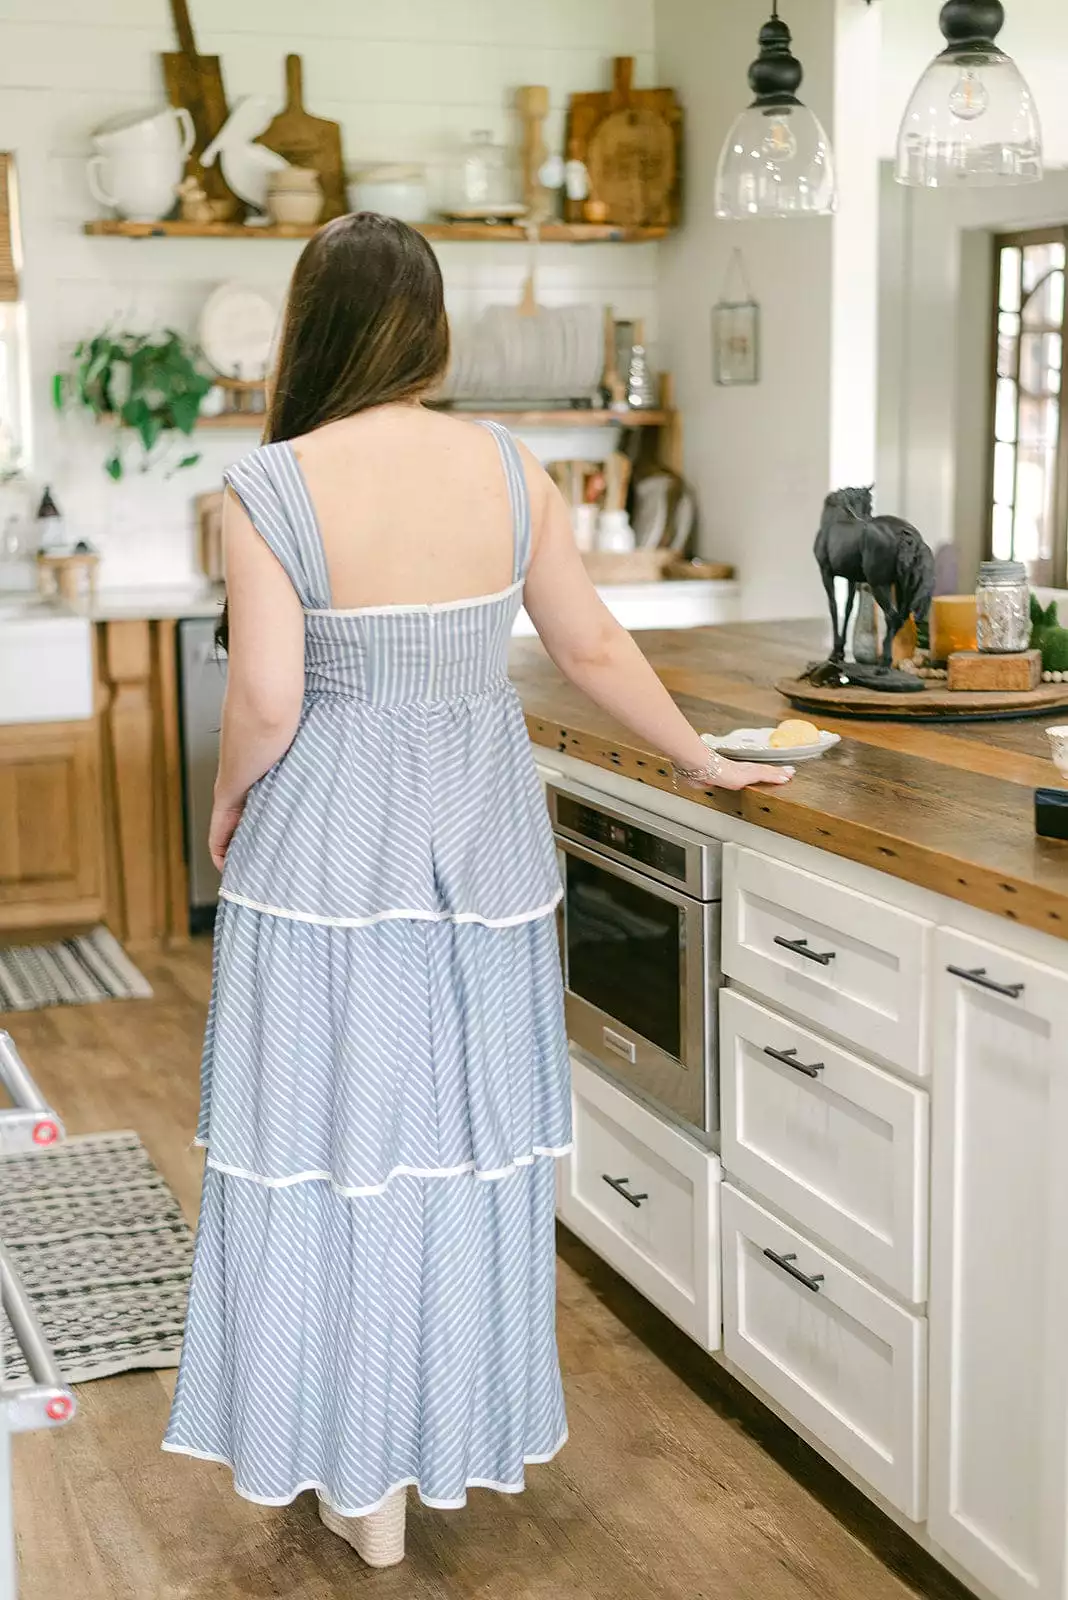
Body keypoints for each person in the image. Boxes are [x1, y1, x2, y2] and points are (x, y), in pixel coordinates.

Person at [162, 212, 792, 1568]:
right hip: (481, 852)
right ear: (432, 329)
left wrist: (223, 802)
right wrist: (704, 759)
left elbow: (268, 695)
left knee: (325, 1145)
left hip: (327, 853)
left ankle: (350, 1467)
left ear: (311, 329)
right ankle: (425, 1441)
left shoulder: (267, 485)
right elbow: (595, 645)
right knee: (453, 1148)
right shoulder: (514, 470)